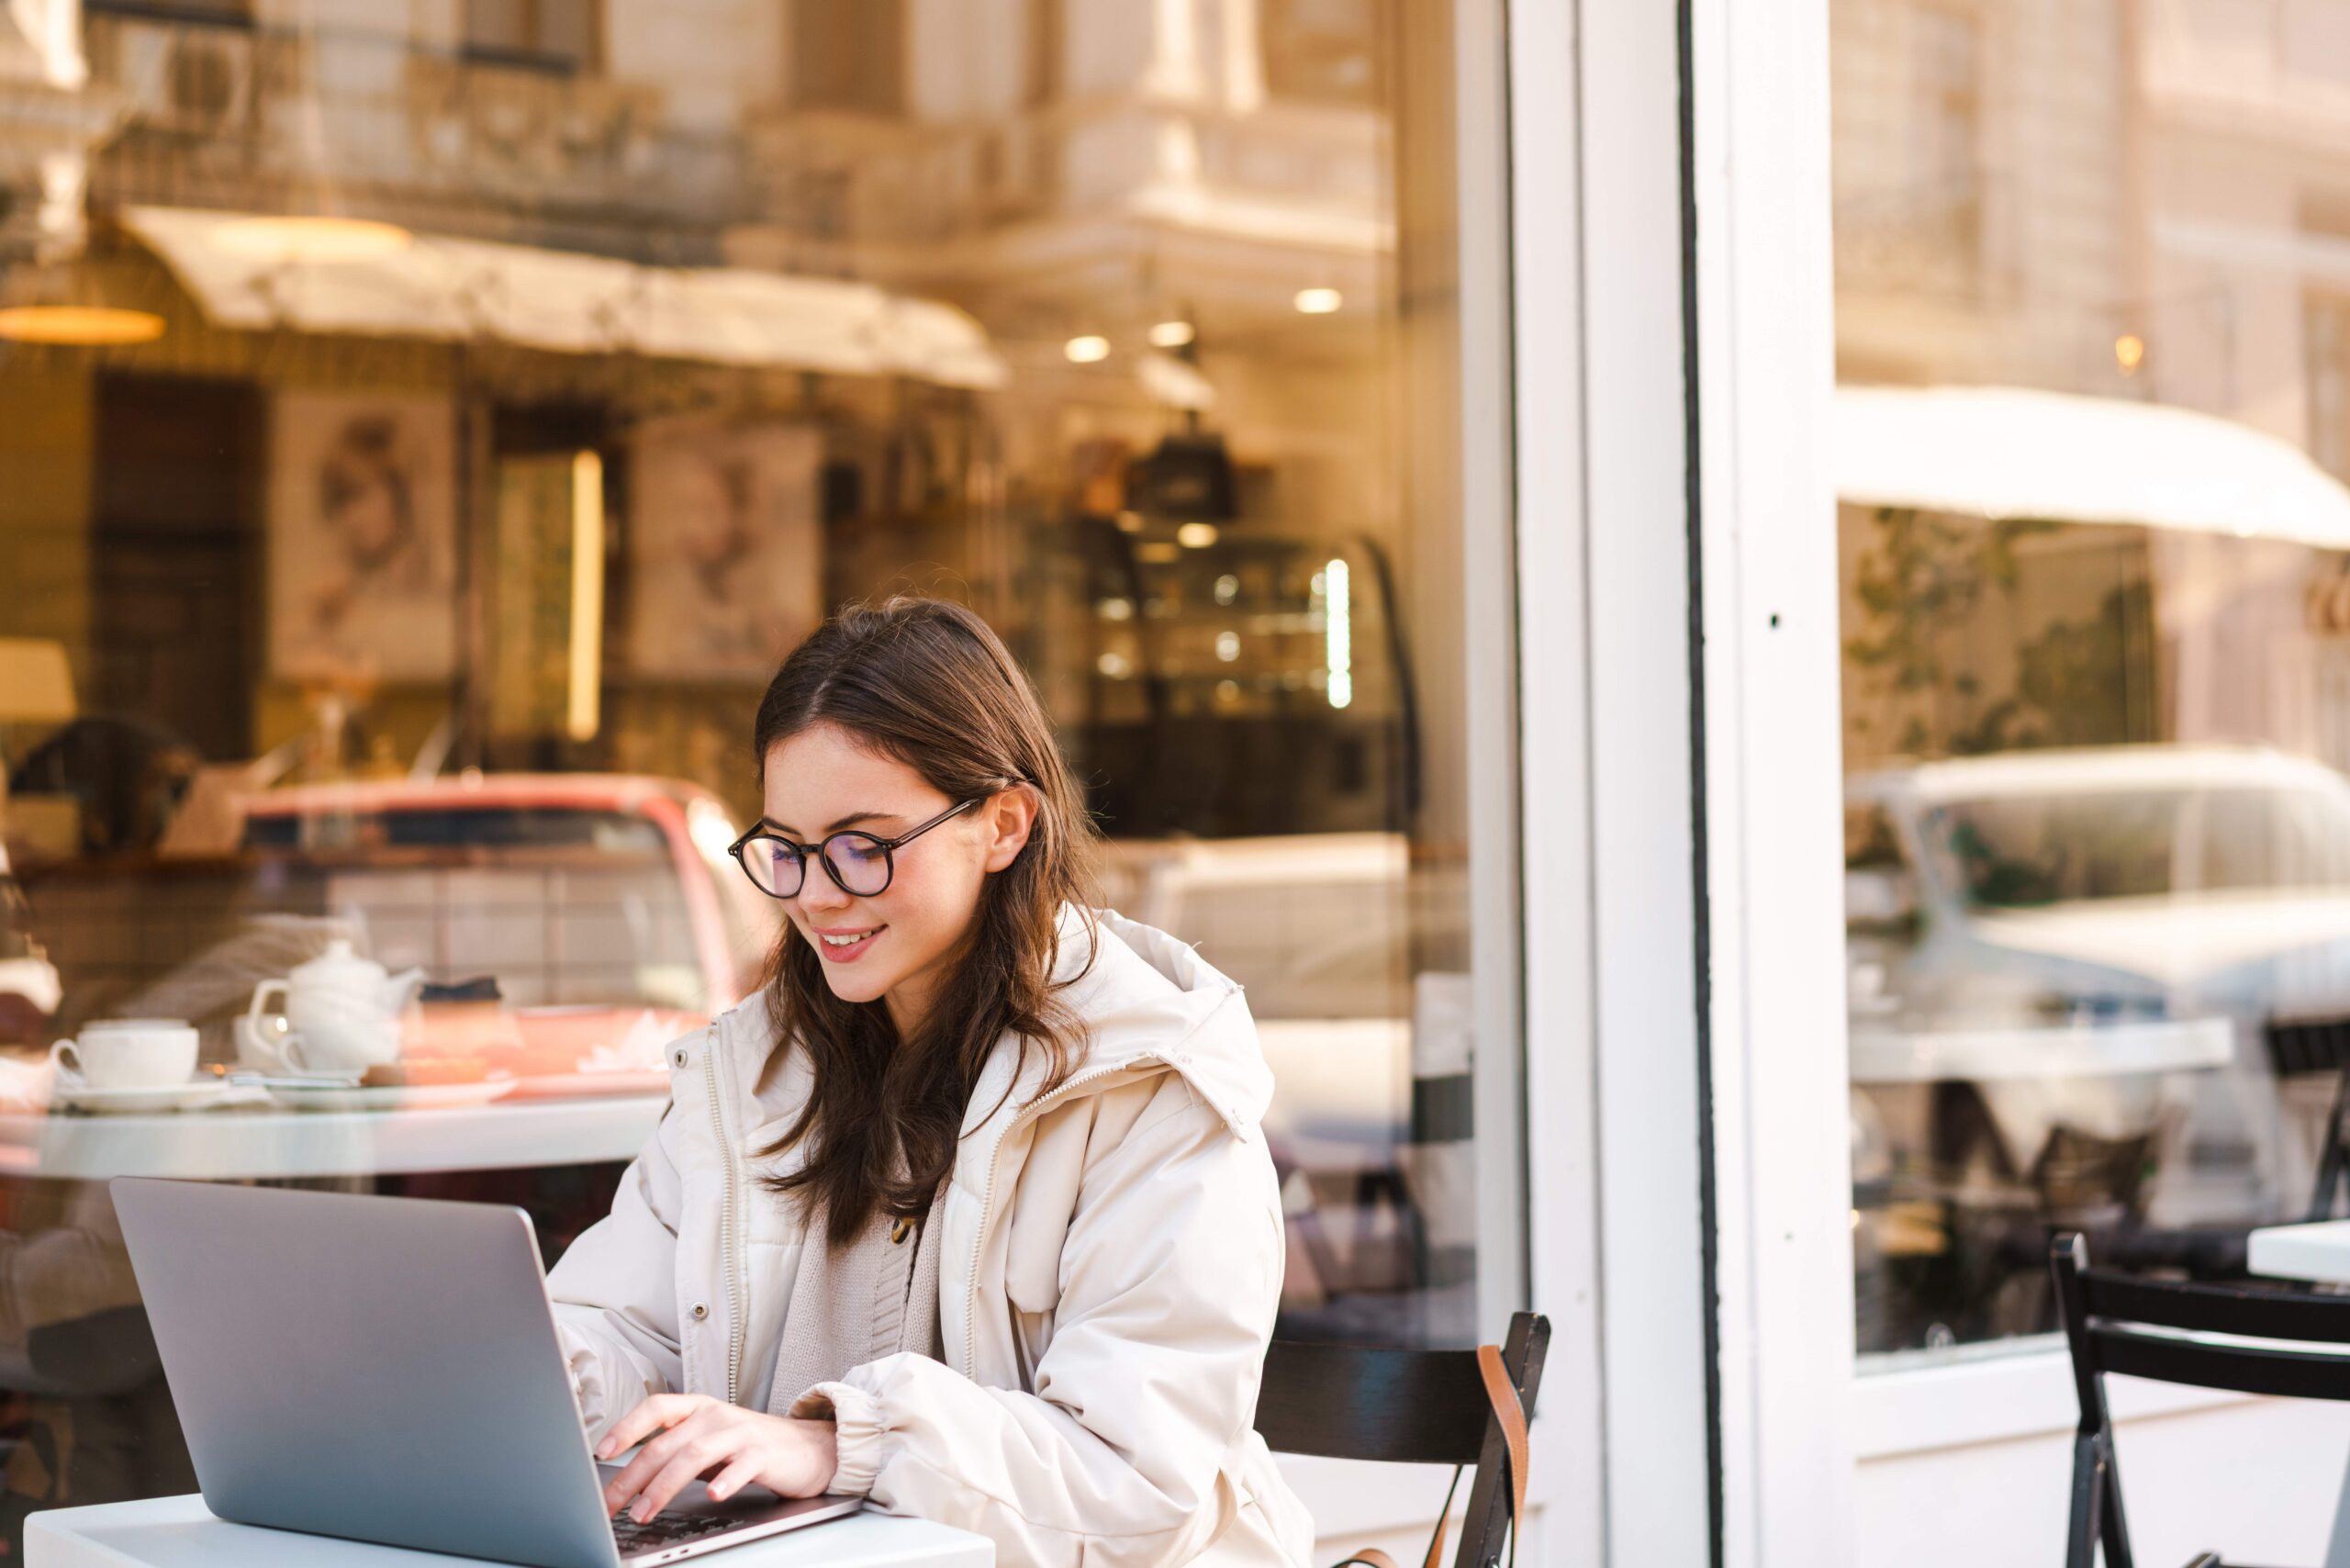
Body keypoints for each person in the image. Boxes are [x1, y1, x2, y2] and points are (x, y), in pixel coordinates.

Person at [545, 597, 1313, 1568]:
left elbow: (1136, 1479)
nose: (818, 893)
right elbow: (625, 1333)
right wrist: (524, 1375)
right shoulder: (749, 1071)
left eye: (864, 846)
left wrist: (843, 1443)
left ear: (1001, 824)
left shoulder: (1153, 1080)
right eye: (786, 847)